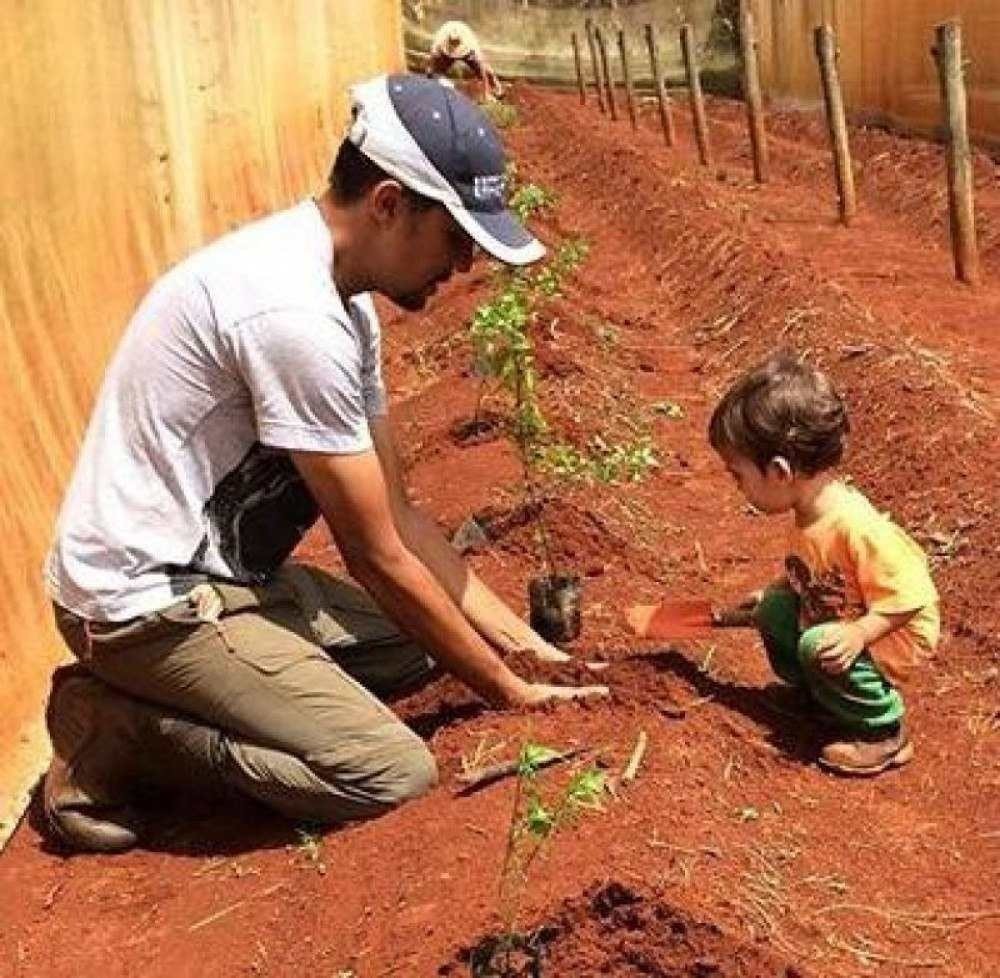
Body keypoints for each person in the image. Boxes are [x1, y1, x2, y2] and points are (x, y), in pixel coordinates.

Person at [42, 73, 606, 854]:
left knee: (423, 642)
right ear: (388, 204)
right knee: (386, 772)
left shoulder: (345, 305)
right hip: (142, 602)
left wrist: (526, 649)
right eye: (456, 238)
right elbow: (375, 555)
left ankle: (231, 685)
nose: (464, 267)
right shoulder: (291, 315)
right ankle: (120, 730)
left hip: (228, 579)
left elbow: (402, 520)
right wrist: (510, 693)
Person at [708, 353, 939, 776]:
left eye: (738, 475)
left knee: (819, 643)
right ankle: (818, 697)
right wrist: (778, 590)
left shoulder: (856, 525)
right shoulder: (809, 512)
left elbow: (915, 595)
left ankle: (882, 731)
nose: (736, 487)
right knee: (775, 608)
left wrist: (858, 633)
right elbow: (815, 570)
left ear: (779, 471)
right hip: (840, 622)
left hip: (885, 636)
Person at [426, 20, 504, 100]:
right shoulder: (440, 40)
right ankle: (433, 89)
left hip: (466, 51)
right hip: (446, 53)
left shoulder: (471, 43)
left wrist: (486, 93)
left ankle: (497, 89)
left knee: (487, 70)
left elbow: (482, 67)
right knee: (436, 71)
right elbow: (433, 57)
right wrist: (430, 70)